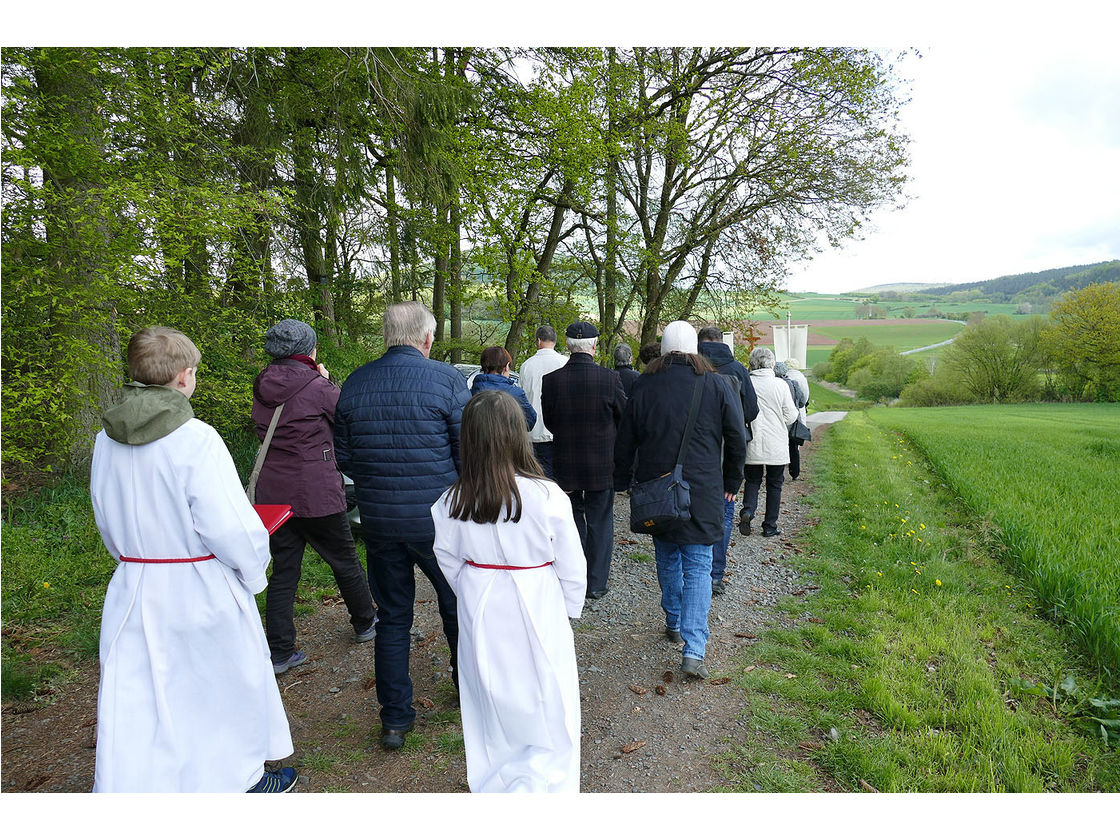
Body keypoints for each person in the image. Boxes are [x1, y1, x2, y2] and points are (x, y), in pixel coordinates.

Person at [89, 326, 296, 793]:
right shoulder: (195, 438)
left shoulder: (106, 439)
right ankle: (235, 781)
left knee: (146, 697)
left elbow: (105, 515)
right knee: (214, 688)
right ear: (184, 378)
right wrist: (252, 570)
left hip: (136, 584)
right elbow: (229, 525)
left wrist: (133, 562)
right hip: (197, 585)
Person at [431, 390, 586, 792]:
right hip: (537, 599)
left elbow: (448, 559)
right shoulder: (547, 496)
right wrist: (568, 609)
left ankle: (498, 783)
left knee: (490, 695)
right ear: (518, 434)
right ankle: (548, 784)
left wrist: (471, 591)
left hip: (481, 602)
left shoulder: (451, 501)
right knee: (548, 693)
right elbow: (571, 563)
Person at [335, 302, 469, 750]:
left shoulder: (355, 383)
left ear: (387, 336)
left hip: (380, 521)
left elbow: (346, 455)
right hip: (439, 521)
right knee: (456, 606)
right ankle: (467, 693)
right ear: (427, 339)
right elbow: (466, 450)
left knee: (392, 617)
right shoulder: (447, 379)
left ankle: (394, 718)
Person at [614, 321, 746, 679]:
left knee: (668, 554)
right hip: (703, 489)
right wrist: (733, 480)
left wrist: (621, 478)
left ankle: (673, 619)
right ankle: (694, 650)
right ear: (695, 350)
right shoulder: (717, 384)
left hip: (659, 489)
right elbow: (736, 437)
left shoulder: (644, 385)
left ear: (664, 349)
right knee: (700, 565)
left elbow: (626, 438)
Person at [252, 319, 378, 675]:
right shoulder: (317, 386)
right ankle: (365, 621)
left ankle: (279, 650)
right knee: (344, 558)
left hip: (273, 492)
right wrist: (326, 381)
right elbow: (347, 420)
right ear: (309, 350)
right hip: (315, 488)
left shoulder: (262, 384)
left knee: (284, 570)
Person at [541, 321, 627, 599]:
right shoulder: (610, 379)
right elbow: (623, 418)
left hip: (566, 462)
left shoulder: (552, 380)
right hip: (602, 465)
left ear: (567, 345)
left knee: (572, 521)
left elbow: (550, 421)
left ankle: (575, 577)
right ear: (594, 345)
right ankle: (597, 583)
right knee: (601, 522)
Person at [697, 326, 760, 596]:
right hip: (730, 448)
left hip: (697, 447)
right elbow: (752, 409)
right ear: (722, 342)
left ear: (699, 342)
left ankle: (693, 569)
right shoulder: (738, 370)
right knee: (724, 507)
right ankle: (714, 574)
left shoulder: (692, 366)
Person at [740, 347, 798, 538]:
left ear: (752, 363)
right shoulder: (780, 385)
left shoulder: (746, 383)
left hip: (752, 441)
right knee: (775, 484)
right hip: (776, 443)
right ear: (771, 364)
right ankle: (770, 525)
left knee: (752, 480)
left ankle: (748, 510)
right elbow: (790, 416)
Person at [517, 325, 568, 479]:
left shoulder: (526, 366)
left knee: (537, 477)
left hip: (534, 431)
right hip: (559, 429)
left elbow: (522, 398)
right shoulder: (565, 362)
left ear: (538, 341)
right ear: (555, 341)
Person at [470, 345, 536, 430]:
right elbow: (530, 422)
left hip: (478, 441)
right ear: (507, 366)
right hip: (508, 441)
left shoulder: (471, 392)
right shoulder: (516, 394)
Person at [777, 358, 811, 480]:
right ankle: (795, 472)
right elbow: (803, 400)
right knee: (793, 446)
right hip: (793, 418)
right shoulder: (796, 382)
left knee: (779, 446)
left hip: (777, 420)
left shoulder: (775, 383)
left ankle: (778, 473)